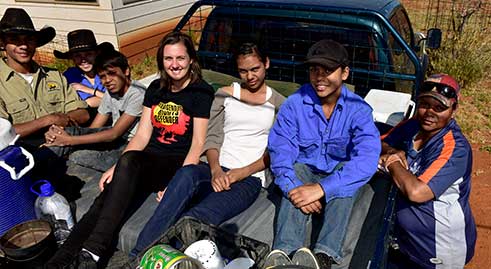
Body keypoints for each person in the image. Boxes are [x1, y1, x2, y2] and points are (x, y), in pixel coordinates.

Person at [45, 31, 214, 269]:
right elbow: (143, 135)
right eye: (168, 59)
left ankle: (94, 250)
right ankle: (60, 261)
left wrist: (177, 184)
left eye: (180, 58)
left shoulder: (201, 92)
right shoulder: (156, 88)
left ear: (191, 60)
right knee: (103, 200)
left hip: (174, 164)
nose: (174, 65)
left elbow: (198, 142)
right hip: (147, 160)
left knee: (128, 165)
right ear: (161, 61)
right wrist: (117, 167)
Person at [130, 42, 286, 257]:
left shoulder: (280, 104)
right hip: (214, 168)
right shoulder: (224, 94)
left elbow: (277, 150)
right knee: (184, 177)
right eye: (243, 70)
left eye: (255, 69)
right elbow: (211, 137)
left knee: (197, 217)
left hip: (249, 178)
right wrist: (216, 170)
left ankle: (166, 258)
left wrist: (240, 173)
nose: (250, 76)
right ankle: (139, 256)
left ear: (266, 64)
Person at [265, 40, 381, 269]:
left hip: (336, 177)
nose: (319, 77)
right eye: (314, 69)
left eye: (328, 70)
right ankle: (285, 253)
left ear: (345, 72)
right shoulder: (294, 105)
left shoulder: (358, 110)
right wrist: (294, 190)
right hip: (304, 173)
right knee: (295, 169)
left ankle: (325, 255)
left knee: (345, 177)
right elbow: (280, 150)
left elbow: (366, 159)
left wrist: (320, 189)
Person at [380, 74, 476, 269]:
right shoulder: (413, 125)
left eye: (439, 108)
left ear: (453, 110)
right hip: (404, 242)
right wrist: (392, 150)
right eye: (425, 104)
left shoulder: (455, 148)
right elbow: (380, 141)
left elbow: (417, 192)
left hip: (437, 249)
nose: (429, 113)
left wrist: (392, 162)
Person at [42, 49, 146, 172]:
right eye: (102, 76)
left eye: (112, 74)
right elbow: (95, 127)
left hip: (132, 146)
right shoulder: (110, 92)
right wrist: (66, 136)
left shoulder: (137, 94)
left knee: (79, 156)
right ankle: (42, 154)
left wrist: (70, 141)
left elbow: (114, 133)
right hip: (116, 138)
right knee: (69, 133)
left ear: (126, 71)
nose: (107, 80)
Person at [54, 29, 114, 110]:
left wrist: (87, 89)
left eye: (88, 54)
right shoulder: (70, 76)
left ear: (96, 54)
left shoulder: (106, 70)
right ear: (73, 58)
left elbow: (119, 98)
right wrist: (104, 97)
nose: (83, 60)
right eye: (78, 56)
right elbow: (89, 102)